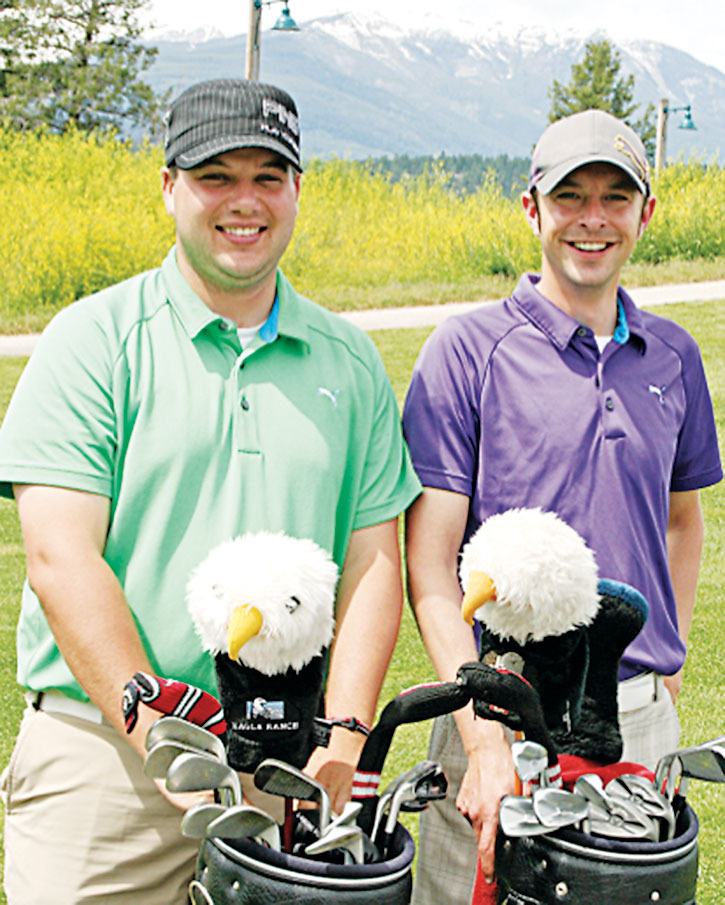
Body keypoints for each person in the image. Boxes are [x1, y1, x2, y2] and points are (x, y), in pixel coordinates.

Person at [0, 79, 421, 905]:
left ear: (297, 189)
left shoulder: (348, 360)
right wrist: (152, 729)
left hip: (286, 763)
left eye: (268, 176)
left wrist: (343, 734)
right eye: (215, 176)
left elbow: (376, 563)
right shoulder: (92, 341)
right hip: (106, 762)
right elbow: (60, 557)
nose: (245, 201)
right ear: (169, 188)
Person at [402, 109, 722, 905]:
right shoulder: (466, 350)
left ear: (645, 213)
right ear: (530, 207)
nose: (591, 218)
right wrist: (480, 739)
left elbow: (682, 521)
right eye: (569, 194)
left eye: (615, 197)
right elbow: (430, 563)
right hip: (498, 706)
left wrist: (667, 661)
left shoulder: (674, 357)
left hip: (634, 711)